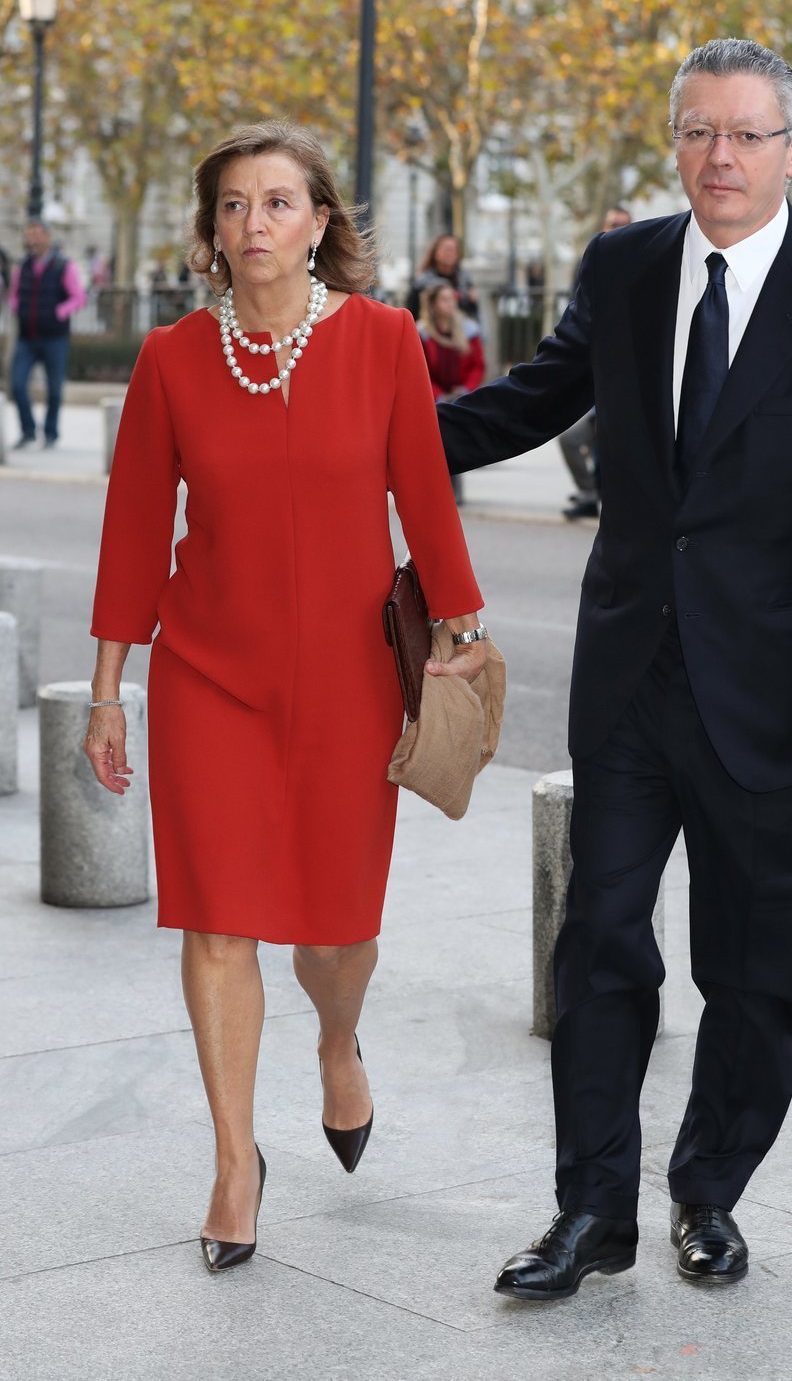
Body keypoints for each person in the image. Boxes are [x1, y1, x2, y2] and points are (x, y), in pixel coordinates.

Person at [437, 37, 792, 1299]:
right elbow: (529, 402)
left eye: (746, 134)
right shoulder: (620, 266)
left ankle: (706, 1192)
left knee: (755, 971)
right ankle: (590, 1215)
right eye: (698, 131)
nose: (720, 155)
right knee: (598, 944)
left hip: (777, 701)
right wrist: (363, 428)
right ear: (674, 141)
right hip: (627, 686)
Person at [84, 120, 489, 1274]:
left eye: (276, 203)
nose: (252, 224)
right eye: (232, 207)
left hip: (353, 686)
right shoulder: (169, 359)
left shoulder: (382, 341)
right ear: (212, 232)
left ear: (320, 224)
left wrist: (461, 630)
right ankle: (230, 1164)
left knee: (336, 930)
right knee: (218, 922)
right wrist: (111, 689)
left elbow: (424, 496)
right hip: (211, 677)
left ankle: (340, 1038)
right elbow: (128, 536)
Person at [560, 206, 633, 520]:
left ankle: (611, 502)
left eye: (623, 225)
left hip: (628, 391)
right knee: (570, 438)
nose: (616, 229)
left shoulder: (645, 267)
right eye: (611, 224)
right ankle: (589, 494)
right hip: (594, 388)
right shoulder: (593, 265)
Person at [8, 221, 87, 449]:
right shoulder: (21, 267)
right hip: (27, 337)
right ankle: (28, 431)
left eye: (36, 234)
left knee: (54, 389)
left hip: (54, 338)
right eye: (29, 235)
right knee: (18, 384)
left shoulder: (63, 266)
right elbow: (13, 295)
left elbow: (79, 297)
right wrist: (16, 308)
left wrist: (59, 312)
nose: (32, 239)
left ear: (47, 237)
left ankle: (50, 433)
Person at [418, 281, 486, 504]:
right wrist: (437, 394)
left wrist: (467, 389)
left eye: (452, 299)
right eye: (444, 299)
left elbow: (477, 365)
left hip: (461, 394)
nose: (450, 304)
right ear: (434, 304)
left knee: (452, 436)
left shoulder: (468, 330)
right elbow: (421, 369)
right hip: (433, 396)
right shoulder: (422, 333)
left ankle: (453, 489)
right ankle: (439, 488)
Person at [406, 233, 479, 322]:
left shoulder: (464, 280)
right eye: (446, 249)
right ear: (435, 253)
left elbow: (473, 313)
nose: (450, 253)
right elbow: (412, 312)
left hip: (459, 330)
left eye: (454, 250)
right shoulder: (422, 282)